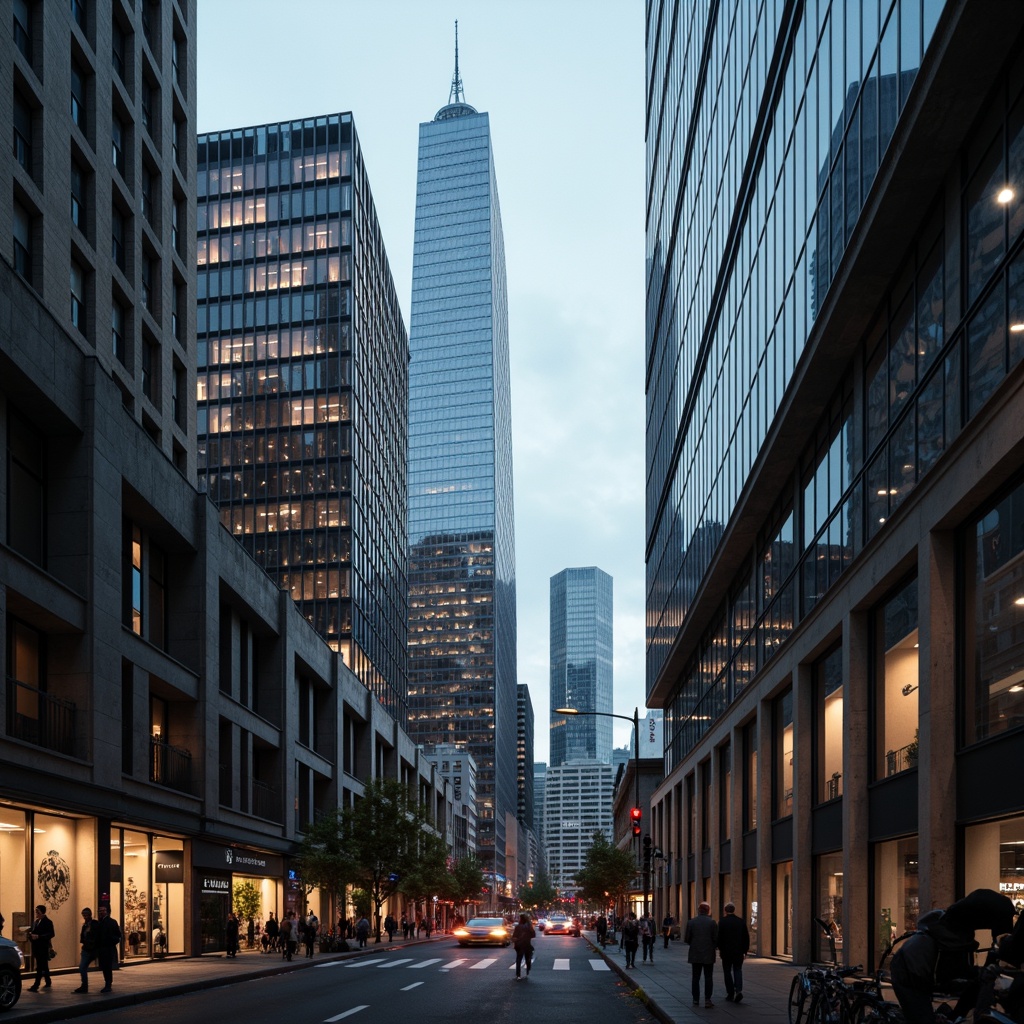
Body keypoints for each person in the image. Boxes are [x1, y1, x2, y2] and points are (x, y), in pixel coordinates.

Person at [685, 901, 719, 1008]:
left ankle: (696, 999)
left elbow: (687, 939)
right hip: (708, 953)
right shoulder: (712, 923)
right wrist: (711, 946)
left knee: (696, 977)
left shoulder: (691, 922)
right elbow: (716, 939)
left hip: (695, 953)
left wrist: (694, 944)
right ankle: (707, 999)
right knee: (708, 977)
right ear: (708, 911)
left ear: (699, 910)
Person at [718, 902, 750, 1003]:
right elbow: (746, 937)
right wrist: (745, 951)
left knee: (727, 971)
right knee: (738, 970)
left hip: (726, 951)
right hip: (738, 951)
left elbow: (719, 937)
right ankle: (738, 990)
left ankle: (730, 992)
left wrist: (720, 949)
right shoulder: (740, 921)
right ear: (734, 910)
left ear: (725, 910)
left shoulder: (722, 922)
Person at [27, 904, 55, 991]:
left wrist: (39, 936)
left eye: (37, 912)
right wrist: (30, 935)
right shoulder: (36, 922)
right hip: (36, 946)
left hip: (42, 947)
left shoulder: (48, 922)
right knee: (44, 965)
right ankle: (48, 981)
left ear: (42, 912)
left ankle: (36, 984)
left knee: (39, 966)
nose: (36, 913)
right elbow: (33, 931)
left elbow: (51, 934)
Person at [95, 903, 122, 992]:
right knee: (105, 966)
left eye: (103, 911)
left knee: (106, 966)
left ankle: (108, 983)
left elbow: (118, 935)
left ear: (106, 911)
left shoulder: (110, 922)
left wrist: (111, 941)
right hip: (105, 948)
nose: (101, 912)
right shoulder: (101, 922)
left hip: (107, 948)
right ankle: (108, 982)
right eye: (100, 911)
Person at [75, 906, 99, 993]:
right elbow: (82, 938)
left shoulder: (95, 924)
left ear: (90, 915)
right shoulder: (84, 926)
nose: (85, 917)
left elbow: (97, 936)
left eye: (86, 915)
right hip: (86, 949)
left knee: (83, 967)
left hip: (92, 949)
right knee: (82, 967)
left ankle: (84, 986)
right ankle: (84, 986)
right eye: (83, 915)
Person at [512, 912, 536, 980]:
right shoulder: (529, 927)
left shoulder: (518, 927)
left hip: (519, 945)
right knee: (527, 959)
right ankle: (527, 971)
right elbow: (533, 935)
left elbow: (514, 936)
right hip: (527, 945)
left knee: (519, 959)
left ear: (521, 919)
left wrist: (515, 940)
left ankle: (518, 975)